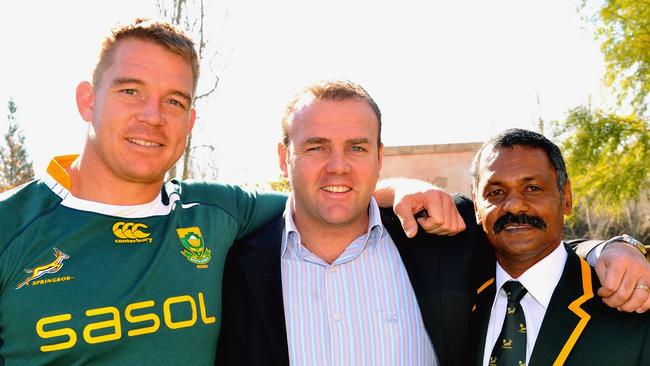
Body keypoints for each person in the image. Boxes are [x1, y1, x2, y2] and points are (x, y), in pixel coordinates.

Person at [0, 20, 459, 365]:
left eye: (175, 101)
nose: (153, 116)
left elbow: (326, 197)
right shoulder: (11, 229)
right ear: (87, 100)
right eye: (130, 91)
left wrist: (403, 188)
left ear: (190, 121)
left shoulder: (217, 212)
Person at [215, 82, 648, 366]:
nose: (338, 167)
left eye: (357, 148)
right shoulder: (233, 262)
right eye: (316, 147)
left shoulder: (439, 237)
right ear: (282, 157)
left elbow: (529, 242)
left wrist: (611, 247)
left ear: (380, 158)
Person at [470, 129, 650, 365]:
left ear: (566, 197)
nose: (514, 206)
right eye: (496, 192)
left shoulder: (632, 304)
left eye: (533, 188)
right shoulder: (457, 304)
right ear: (476, 207)